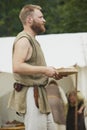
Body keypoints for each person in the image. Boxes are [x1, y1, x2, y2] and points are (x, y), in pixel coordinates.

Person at [8, 4, 64, 130]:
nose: (44, 20)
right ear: (29, 20)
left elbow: (33, 68)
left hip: (39, 94)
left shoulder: (33, 40)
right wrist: (45, 70)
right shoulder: (24, 40)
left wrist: (52, 72)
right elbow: (17, 66)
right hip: (31, 94)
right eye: (40, 17)